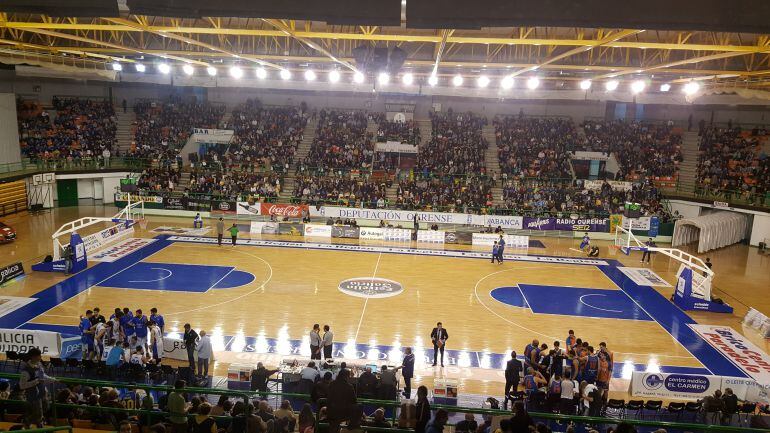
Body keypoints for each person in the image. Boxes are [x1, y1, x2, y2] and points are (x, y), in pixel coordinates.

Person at [19, 348, 55, 428]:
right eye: (39, 355)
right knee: (39, 414)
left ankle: (28, 421)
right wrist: (36, 381)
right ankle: (36, 425)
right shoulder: (26, 371)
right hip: (33, 395)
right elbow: (22, 385)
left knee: (46, 407)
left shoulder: (39, 365)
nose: (40, 357)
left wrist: (53, 379)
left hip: (42, 393)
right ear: (33, 357)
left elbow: (43, 376)